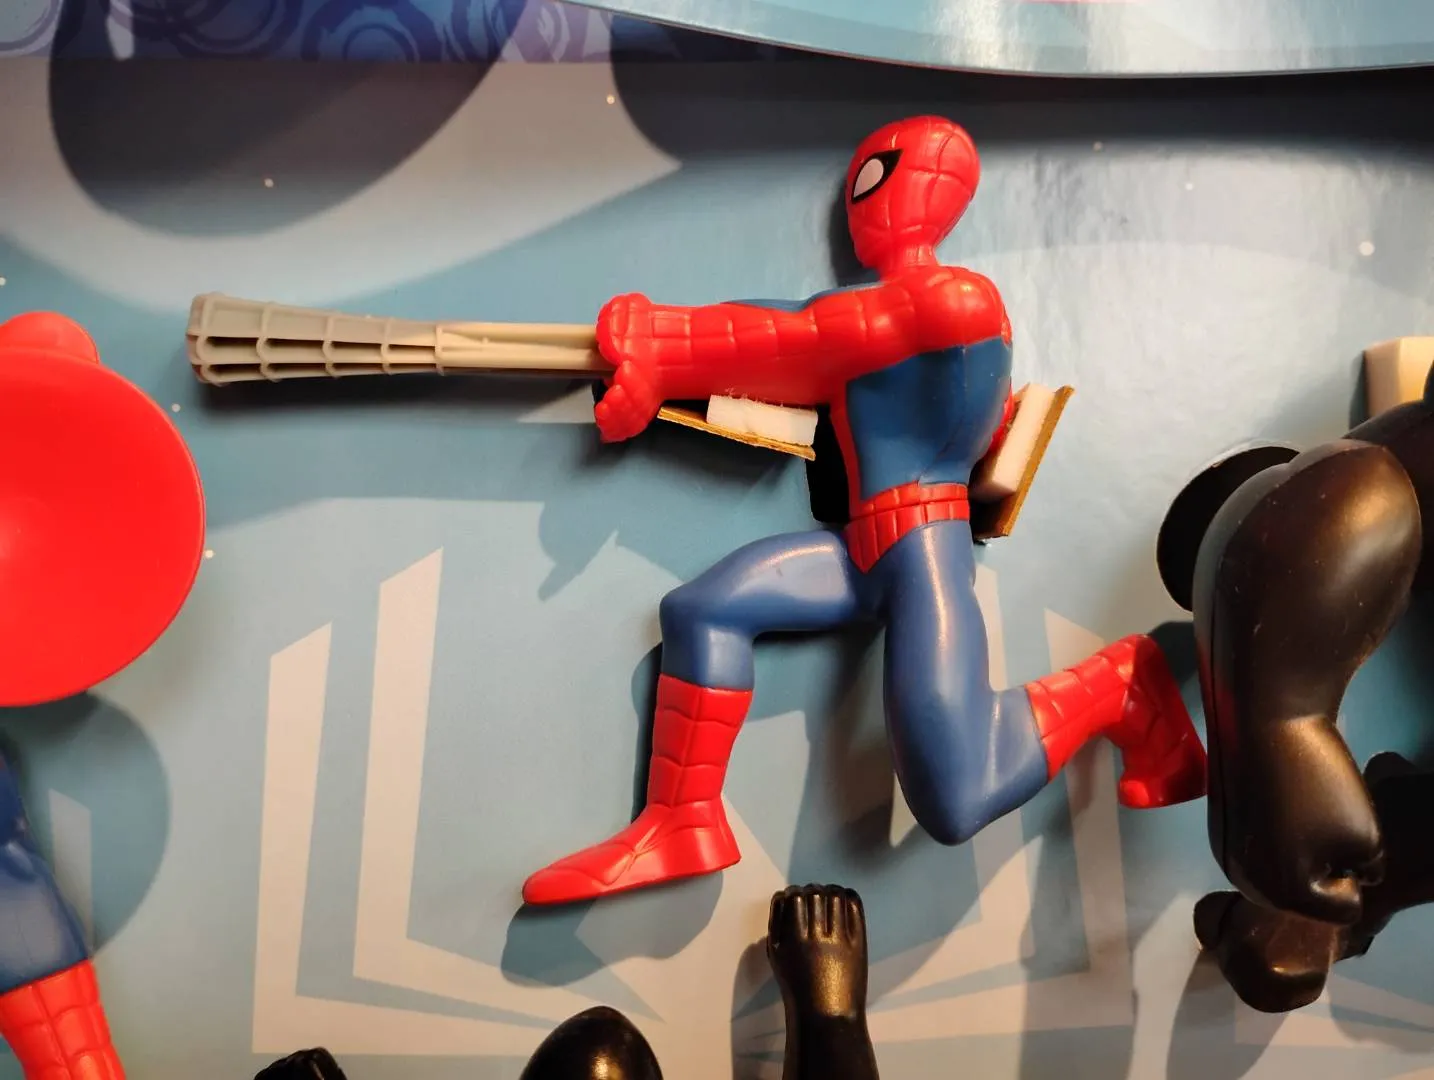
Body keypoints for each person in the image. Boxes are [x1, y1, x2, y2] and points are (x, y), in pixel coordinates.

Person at [522, 116, 1206, 906]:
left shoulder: (953, 302)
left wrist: (664, 339)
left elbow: (799, 336)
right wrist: (661, 363)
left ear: (940, 191)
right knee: (705, 610)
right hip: (862, 552)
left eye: (881, 178)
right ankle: (682, 820)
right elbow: (793, 336)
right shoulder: (877, 318)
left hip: (925, 556)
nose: (864, 203)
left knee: (957, 796)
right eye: (861, 185)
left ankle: (1120, 683)